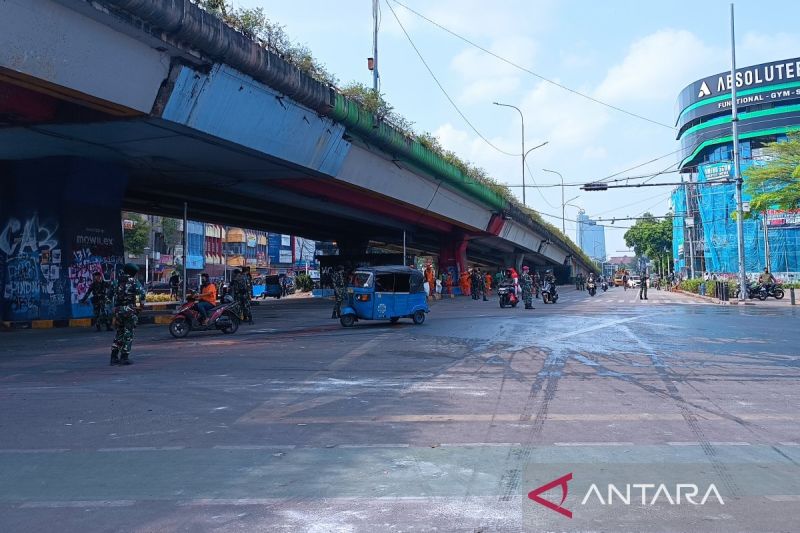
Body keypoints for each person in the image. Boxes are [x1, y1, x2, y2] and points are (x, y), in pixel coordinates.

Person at [109, 263, 145, 366]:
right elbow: (140, 296)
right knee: (128, 334)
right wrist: (138, 308)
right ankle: (124, 357)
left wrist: (113, 309)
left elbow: (109, 296)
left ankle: (114, 357)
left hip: (118, 311)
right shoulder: (134, 282)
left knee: (119, 333)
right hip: (129, 311)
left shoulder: (116, 282)